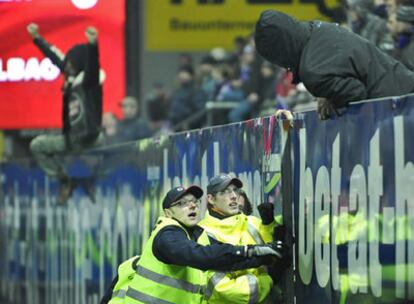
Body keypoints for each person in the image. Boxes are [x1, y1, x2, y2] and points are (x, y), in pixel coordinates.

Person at [103, 185, 286, 304]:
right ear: (168, 213)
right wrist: (254, 252)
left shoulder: (200, 237)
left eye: (194, 202)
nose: (191, 206)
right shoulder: (167, 234)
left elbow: (223, 259)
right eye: (182, 203)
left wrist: (265, 257)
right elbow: (201, 256)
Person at [254, 10, 414, 120]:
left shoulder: (313, 71)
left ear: (278, 54)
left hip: (398, 112)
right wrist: (329, 94)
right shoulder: (320, 28)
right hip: (405, 86)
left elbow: (356, 95)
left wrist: (332, 99)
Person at [27, 23, 104, 204]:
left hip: (91, 139)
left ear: (79, 64)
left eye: (71, 63)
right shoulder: (69, 78)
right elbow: (55, 57)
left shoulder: (89, 81)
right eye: (67, 62)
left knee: (102, 147)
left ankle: (91, 182)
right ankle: (65, 180)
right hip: (72, 139)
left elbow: (92, 66)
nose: (66, 66)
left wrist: (93, 46)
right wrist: (37, 38)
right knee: (37, 145)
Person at [199, 174, 282, 304]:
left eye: (235, 190)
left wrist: (270, 226)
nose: (233, 196)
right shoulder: (203, 234)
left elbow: (276, 252)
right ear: (211, 199)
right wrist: (268, 279)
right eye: (225, 191)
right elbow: (225, 290)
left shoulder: (253, 223)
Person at [387, 5, 414, 70]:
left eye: (400, 21)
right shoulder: (403, 38)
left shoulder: (411, 42)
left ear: (408, 23)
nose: (397, 24)